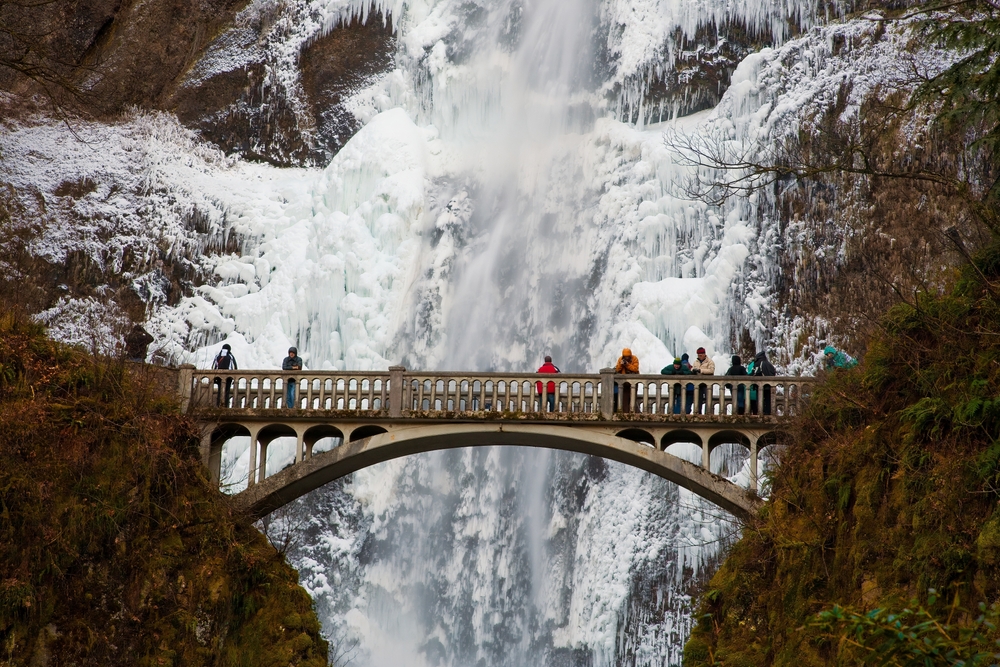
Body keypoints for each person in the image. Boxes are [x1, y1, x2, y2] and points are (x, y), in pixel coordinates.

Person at [749, 350, 777, 414]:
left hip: (759, 386)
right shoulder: (768, 363)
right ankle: (768, 413)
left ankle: (761, 412)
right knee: (768, 400)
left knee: (760, 400)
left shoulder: (758, 363)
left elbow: (754, 373)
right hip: (769, 386)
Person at [691, 347, 715, 413]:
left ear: (704, 354)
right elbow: (692, 369)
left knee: (708, 399)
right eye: (698, 355)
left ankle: (708, 413)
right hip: (698, 384)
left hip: (707, 384)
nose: (699, 357)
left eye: (701, 355)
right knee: (698, 399)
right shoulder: (695, 362)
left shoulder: (710, 362)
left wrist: (700, 370)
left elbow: (711, 370)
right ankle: (698, 413)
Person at [615, 348, 640, 412]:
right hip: (624, 382)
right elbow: (617, 369)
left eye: (628, 357)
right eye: (625, 357)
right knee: (624, 399)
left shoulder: (634, 359)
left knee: (633, 398)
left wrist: (627, 365)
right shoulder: (620, 359)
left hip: (633, 381)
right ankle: (625, 413)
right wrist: (621, 364)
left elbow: (635, 369)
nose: (627, 358)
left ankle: (633, 412)